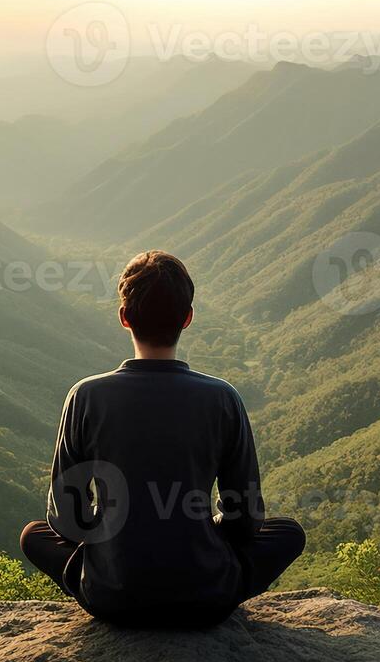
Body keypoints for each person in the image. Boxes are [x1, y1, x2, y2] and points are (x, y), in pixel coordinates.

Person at [19, 250, 305, 627]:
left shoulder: (86, 396)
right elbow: (245, 516)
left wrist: (111, 546)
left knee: (33, 535)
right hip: (206, 597)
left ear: (124, 318)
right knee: (288, 532)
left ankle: (111, 573)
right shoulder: (222, 398)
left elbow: (66, 517)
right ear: (188, 318)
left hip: (111, 597)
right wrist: (205, 531)